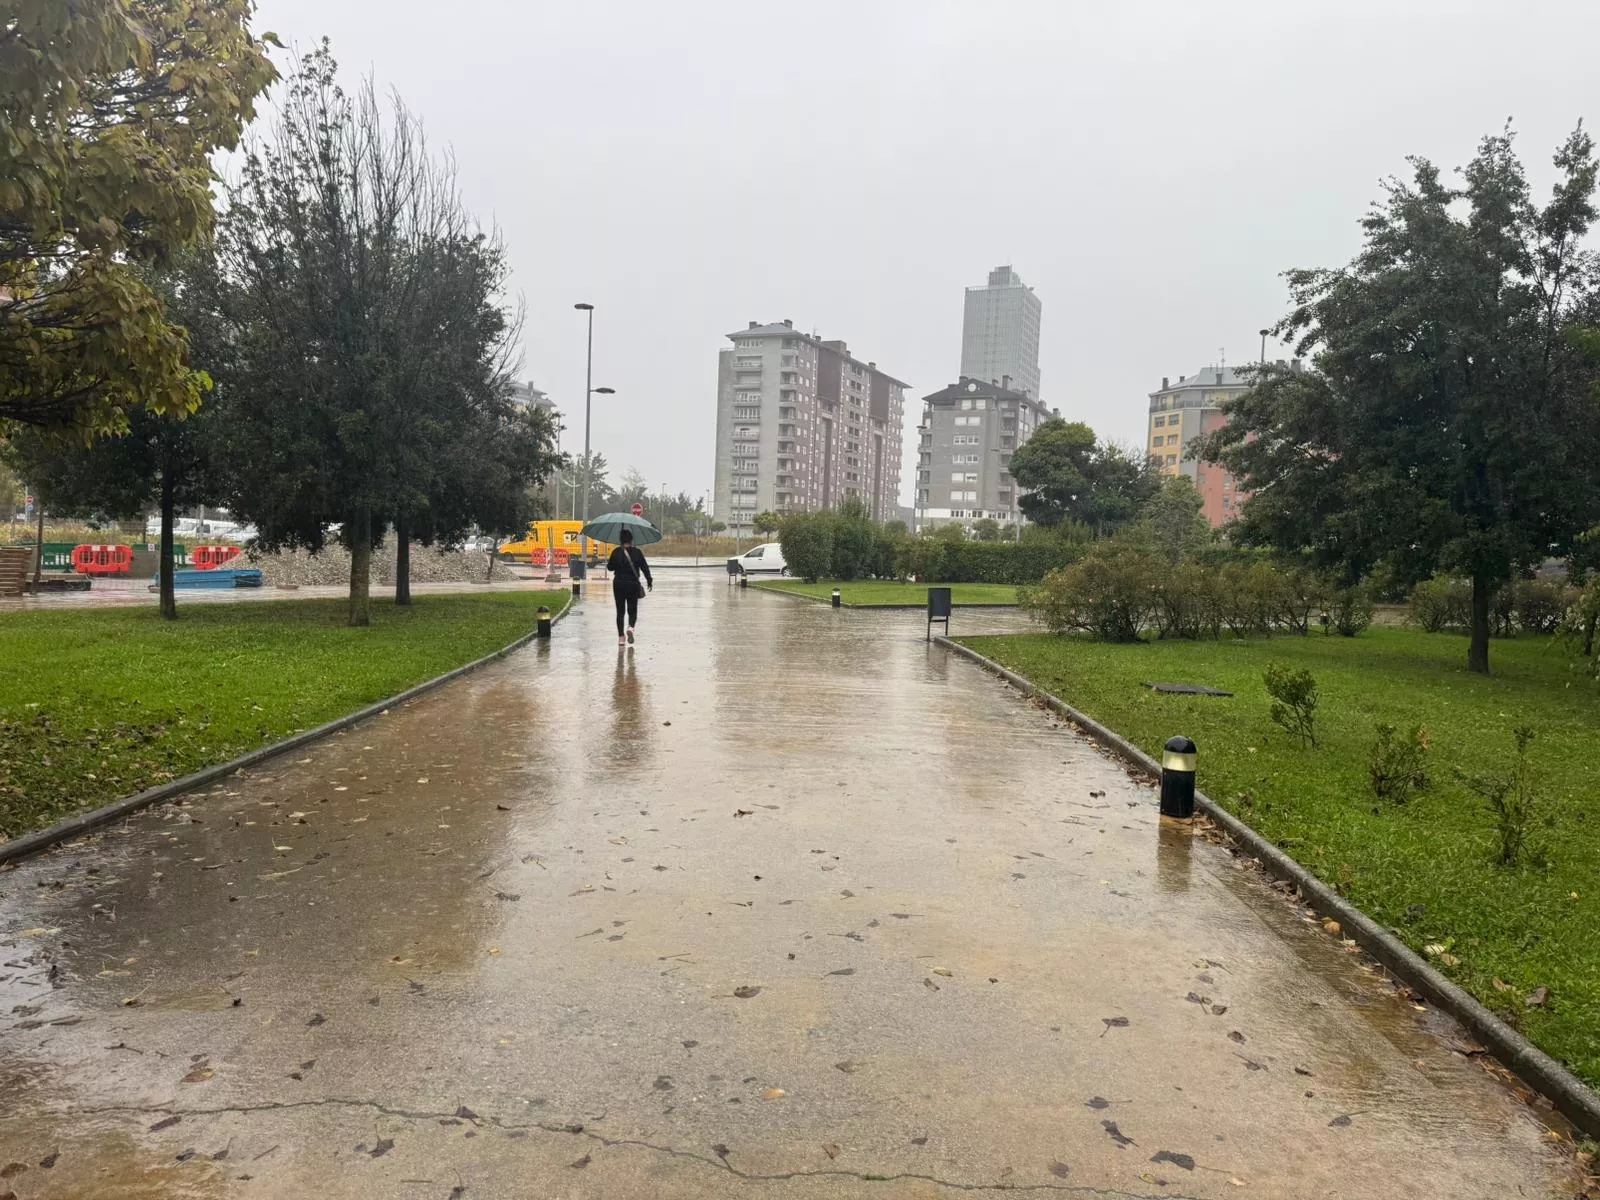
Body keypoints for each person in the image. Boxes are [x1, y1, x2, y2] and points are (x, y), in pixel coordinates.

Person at [607, 528, 653, 646]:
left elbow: (610, 567)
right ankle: (631, 628)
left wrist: (615, 561)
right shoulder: (637, 552)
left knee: (620, 611)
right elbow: (644, 567)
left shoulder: (616, 551)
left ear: (620, 540)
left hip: (619, 584)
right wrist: (649, 580)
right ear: (631, 540)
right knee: (632, 609)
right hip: (632, 584)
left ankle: (621, 638)